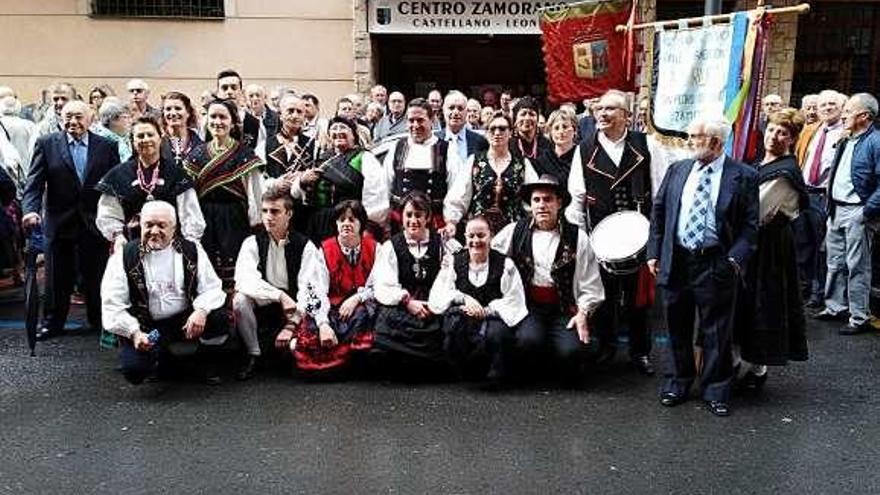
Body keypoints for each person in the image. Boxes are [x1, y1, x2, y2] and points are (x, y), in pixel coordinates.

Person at [647, 118, 759, 417]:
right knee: (676, 324)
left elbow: (750, 226)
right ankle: (677, 381)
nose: (689, 140)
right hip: (678, 259)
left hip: (715, 261)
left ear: (717, 143)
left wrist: (734, 260)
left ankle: (716, 389)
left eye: (696, 137)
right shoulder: (679, 169)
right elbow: (659, 212)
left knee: (717, 329)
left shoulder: (743, 176)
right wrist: (654, 251)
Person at [566, 89, 668, 375]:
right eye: (600, 109)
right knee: (604, 296)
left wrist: (655, 238)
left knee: (639, 299)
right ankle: (606, 347)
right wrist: (582, 239)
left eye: (611, 109)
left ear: (627, 115)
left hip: (639, 236)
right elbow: (577, 196)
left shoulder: (647, 145)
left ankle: (640, 352)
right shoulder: (584, 148)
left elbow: (659, 193)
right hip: (601, 236)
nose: (603, 114)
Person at [22, 100, 121, 340]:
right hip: (59, 221)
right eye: (67, 116)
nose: (72, 121)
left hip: (94, 221)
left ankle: (100, 322)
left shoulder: (107, 146)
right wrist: (30, 210)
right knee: (56, 278)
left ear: (90, 119)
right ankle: (52, 323)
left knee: (96, 275)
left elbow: (116, 184)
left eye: (78, 116)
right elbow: (34, 184)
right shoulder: (47, 144)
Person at [492, 175, 605, 385]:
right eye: (537, 200)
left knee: (571, 351)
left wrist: (583, 313)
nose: (542, 205)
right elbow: (490, 257)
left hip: (563, 308)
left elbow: (590, 284)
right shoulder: (515, 231)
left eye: (548, 199)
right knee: (528, 341)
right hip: (529, 307)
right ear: (530, 205)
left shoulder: (577, 237)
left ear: (559, 203)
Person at [101, 201, 229, 385]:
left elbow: (212, 288)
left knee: (219, 318)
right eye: (149, 225)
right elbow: (112, 305)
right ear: (140, 224)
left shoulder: (192, 250)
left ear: (174, 228)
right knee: (134, 372)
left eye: (162, 225)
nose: (154, 231)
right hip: (147, 326)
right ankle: (163, 358)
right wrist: (134, 332)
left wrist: (201, 311)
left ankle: (205, 361)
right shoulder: (123, 257)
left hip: (186, 320)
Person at [735, 108, 809, 391]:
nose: (774, 136)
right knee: (746, 302)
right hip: (755, 240)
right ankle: (742, 364)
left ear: (791, 139)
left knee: (762, 303)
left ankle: (757, 369)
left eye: (782, 133)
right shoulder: (760, 162)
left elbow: (759, 208)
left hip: (768, 246)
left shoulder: (785, 172)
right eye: (771, 130)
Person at [232, 188, 329, 380]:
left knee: (298, 364)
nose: (268, 217)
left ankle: (288, 349)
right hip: (266, 299)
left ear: (289, 214)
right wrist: (278, 296)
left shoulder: (305, 246)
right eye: (265, 211)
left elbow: (311, 289)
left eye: (275, 211)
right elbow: (245, 279)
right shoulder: (252, 242)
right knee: (240, 300)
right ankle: (254, 353)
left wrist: (292, 324)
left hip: (295, 305)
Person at [429, 216, 527, 386]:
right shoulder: (454, 261)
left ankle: (493, 376)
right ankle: (463, 373)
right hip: (464, 317)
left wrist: (486, 311)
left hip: (493, 319)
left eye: (481, 235)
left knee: (497, 333)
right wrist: (464, 299)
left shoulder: (505, 264)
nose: (476, 240)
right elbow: (439, 295)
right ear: (465, 237)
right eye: (471, 236)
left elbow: (515, 300)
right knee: (455, 326)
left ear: (491, 236)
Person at [372, 192, 460, 376]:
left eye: (418, 215)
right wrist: (407, 301)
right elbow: (383, 284)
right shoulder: (392, 246)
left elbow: (452, 276)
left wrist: (436, 303)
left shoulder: (443, 243)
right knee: (385, 323)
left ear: (427, 217)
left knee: (451, 324)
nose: (413, 220)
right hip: (405, 304)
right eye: (409, 215)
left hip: (435, 303)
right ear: (402, 217)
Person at [183, 99, 264, 291]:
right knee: (207, 264)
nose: (217, 121)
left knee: (234, 263)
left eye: (223, 117)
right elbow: (189, 194)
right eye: (213, 116)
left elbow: (255, 191)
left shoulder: (244, 154)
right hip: (204, 217)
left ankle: (233, 308)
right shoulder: (197, 154)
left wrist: (256, 220)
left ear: (233, 122)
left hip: (235, 217)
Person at [816, 93, 880, 335]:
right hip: (836, 208)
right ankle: (835, 307)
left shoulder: (876, 142)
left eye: (849, 111)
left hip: (858, 211)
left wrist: (867, 210)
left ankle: (859, 316)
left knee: (857, 266)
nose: (843, 114)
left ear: (864, 116)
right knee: (835, 262)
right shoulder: (846, 138)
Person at [96, 116, 205, 249]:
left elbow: (191, 215)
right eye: (140, 136)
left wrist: (190, 243)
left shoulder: (177, 175)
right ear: (133, 141)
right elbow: (108, 213)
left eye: (150, 135)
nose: (146, 139)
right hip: (130, 246)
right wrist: (118, 236)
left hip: (171, 247)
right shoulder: (118, 175)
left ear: (160, 138)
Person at [294, 200, 377, 373]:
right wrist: (323, 324)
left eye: (352, 219)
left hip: (361, 308)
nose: (346, 224)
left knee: (363, 317)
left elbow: (382, 284)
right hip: (331, 308)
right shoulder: (324, 250)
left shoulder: (376, 248)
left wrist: (357, 298)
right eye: (341, 219)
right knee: (314, 334)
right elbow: (315, 289)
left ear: (361, 223)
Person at [376, 98, 466, 235]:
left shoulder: (446, 149)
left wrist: (451, 220)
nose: (415, 125)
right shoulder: (398, 147)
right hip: (400, 223)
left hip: (434, 223)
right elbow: (384, 185)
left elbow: (456, 190)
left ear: (432, 120)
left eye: (420, 120)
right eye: (411, 120)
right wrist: (383, 220)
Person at [289, 116, 384, 242]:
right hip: (318, 223)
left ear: (353, 135)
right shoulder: (322, 159)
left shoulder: (364, 158)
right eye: (334, 129)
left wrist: (368, 226)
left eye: (343, 127)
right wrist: (302, 181)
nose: (338, 131)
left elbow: (376, 195)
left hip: (348, 221)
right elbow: (296, 193)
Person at [793, 89, 846, 308]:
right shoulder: (812, 130)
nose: (826, 108)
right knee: (802, 244)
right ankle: (803, 288)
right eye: (823, 105)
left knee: (821, 247)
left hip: (825, 197)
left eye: (831, 104)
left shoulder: (845, 134)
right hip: (805, 193)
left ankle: (819, 292)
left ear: (841, 107)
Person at [446, 111, 538, 235]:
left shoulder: (522, 164)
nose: (497, 133)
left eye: (502, 129)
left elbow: (534, 200)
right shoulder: (474, 161)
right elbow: (459, 196)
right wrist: (452, 221)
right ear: (487, 133)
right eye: (492, 129)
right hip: (478, 233)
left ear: (510, 132)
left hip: (512, 233)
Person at [264, 93, 315, 179]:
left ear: (304, 117)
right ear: (280, 115)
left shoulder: (313, 145)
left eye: (299, 112)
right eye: (290, 111)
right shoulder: (266, 145)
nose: (295, 116)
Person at [434, 90, 488, 165]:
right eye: (451, 108)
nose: (456, 112)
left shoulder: (480, 141)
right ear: (443, 110)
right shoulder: (434, 140)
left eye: (460, 108)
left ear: (466, 112)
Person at [213, 69, 260, 148]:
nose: (229, 92)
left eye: (234, 87)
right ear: (218, 93)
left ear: (241, 92)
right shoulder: (206, 122)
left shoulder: (255, 123)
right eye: (225, 88)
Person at [160, 91, 204, 167]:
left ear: (188, 113)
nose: (173, 113)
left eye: (178, 108)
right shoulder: (157, 143)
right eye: (168, 109)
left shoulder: (201, 146)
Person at [535, 109, 577, 183]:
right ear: (551, 133)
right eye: (556, 128)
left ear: (574, 130)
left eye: (565, 127)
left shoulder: (581, 156)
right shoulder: (543, 159)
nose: (561, 132)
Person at [509, 96, 551, 162]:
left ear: (537, 119)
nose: (527, 118)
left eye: (531, 114)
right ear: (515, 120)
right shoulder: (507, 145)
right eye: (523, 114)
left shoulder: (547, 145)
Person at [244, 84, 280, 161]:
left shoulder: (276, 118)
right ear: (246, 99)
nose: (255, 99)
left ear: (265, 98)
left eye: (258, 95)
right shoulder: (242, 118)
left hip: (270, 159)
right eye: (251, 96)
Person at [92, 97, 133, 162]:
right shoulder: (102, 142)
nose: (130, 121)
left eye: (130, 117)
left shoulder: (124, 138)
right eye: (125, 117)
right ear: (112, 119)